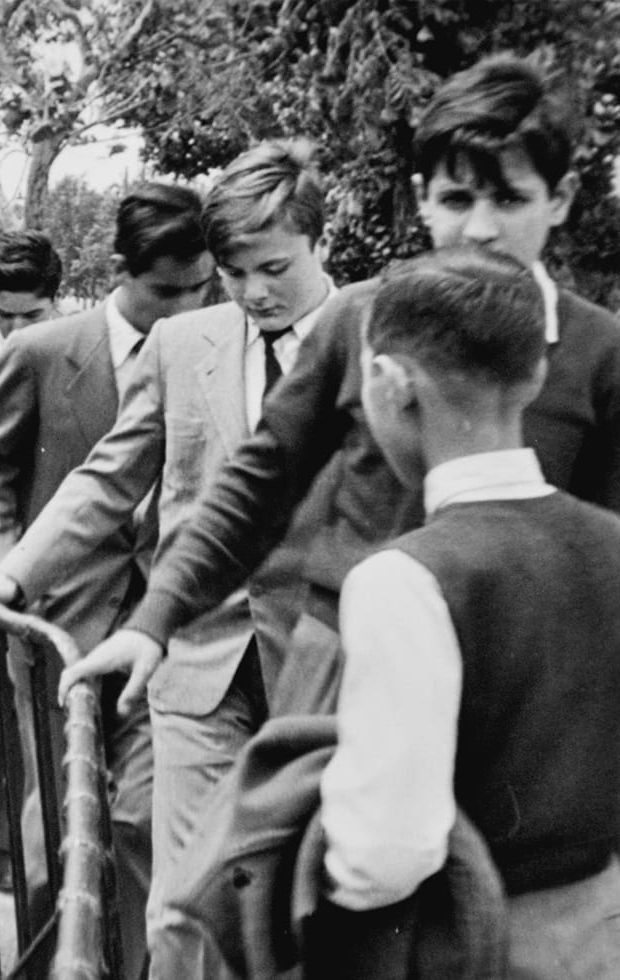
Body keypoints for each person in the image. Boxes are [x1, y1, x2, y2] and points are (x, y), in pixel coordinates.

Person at [58, 54, 620, 950]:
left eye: (509, 200)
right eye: (453, 199)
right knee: (254, 921)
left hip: (505, 699)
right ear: (418, 198)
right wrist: (155, 618)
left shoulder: (596, 352)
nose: (478, 228)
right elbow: (258, 478)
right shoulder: (362, 319)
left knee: (480, 925)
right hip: (336, 675)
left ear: (561, 199)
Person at [0, 149, 334, 958]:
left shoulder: (368, 330)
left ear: (323, 238)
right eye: (236, 272)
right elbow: (108, 475)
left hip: (323, 664)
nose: (254, 293)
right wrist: (8, 573)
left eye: (275, 267)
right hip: (195, 659)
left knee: (306, 906)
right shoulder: (184, 344)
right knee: (180, 901)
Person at [312, 247, 620, 978]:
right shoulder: (614, 541)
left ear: (391, 385)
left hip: (479, 948)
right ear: (535, 373)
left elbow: (384, 854)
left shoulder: (404, 578)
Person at [0, 203, 212, 976]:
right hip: (58, 621)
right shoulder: (44, 351)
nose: (186, 307)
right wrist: (8, 578)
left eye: (199, 289)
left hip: (165, 626)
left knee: (139, 819)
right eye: (165, 292)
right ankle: (43, 963)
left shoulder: (213, 348)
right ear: (122, 273)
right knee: (55, 823)